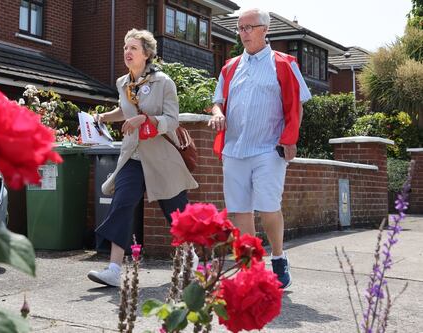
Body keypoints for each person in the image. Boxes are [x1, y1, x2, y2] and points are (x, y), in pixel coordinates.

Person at [208, 8, 312, 289]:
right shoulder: (229, 67)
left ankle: (278, 257)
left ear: (265, 30)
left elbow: (297, 104)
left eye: (249, 27)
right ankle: (250, 267)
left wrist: (289, 140)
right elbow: (217, 100)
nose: (244, 33)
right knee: (239, 210)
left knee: (268, 208)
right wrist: (218, 113)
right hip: (234, 150)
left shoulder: (284, 62)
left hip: (269, 148)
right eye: (240, 29)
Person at [87, 29, 199, 287]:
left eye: (134, 48)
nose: (127, 52)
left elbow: (172, 120)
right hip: (133, 155)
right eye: (126, 47)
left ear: (147, 54)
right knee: (122, 204)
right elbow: (123, 109)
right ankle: (114, 269)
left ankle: (191, 260)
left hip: (162, 157)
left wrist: (146, 120)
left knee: (176, 214)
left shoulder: (164, 83)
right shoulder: (122, 83)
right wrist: (104, 117)